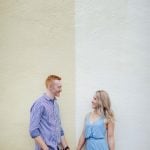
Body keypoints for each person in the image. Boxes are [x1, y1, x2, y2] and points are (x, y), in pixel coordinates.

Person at [29, 75, 70, 150]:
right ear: (50, 87)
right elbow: (33, 131)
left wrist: (66, 147)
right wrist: (46, 148)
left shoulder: (56, 104)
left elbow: (59, 129)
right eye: (59, 87)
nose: (61, 90)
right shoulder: (39, 104)